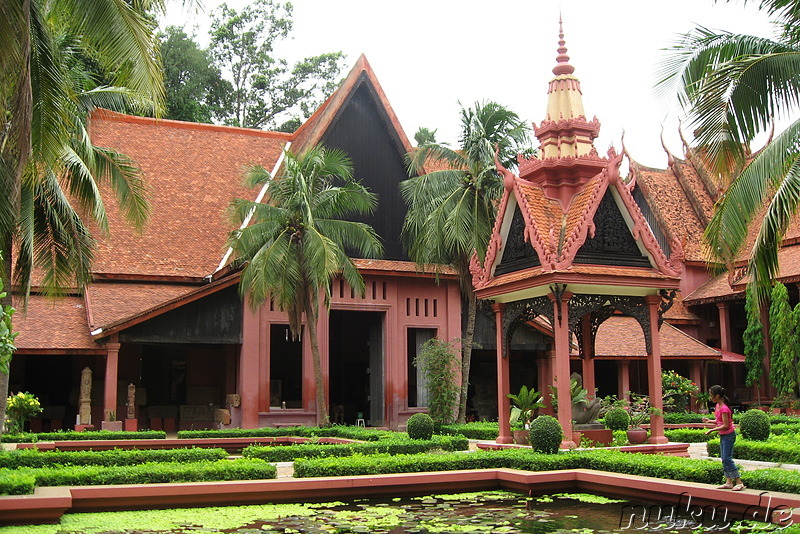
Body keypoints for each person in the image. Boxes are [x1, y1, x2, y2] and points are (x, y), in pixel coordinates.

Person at [705, 385, 745, 491]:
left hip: (728, 435)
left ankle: (739, 482)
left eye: (711, 395)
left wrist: (712, 430)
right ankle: (728, 481)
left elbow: (726, 425)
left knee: (727, 458)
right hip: (723, 435)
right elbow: (720, 421)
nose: (710, 397)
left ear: (717, 396)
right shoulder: (718, 406)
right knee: (724, 459)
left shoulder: (724, 408)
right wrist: (710, 421)